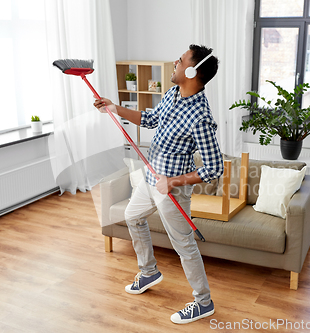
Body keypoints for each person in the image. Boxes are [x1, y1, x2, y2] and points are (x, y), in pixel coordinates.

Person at [93, 44, 222, 324]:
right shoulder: (172, 93)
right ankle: (149, 271)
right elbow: (150, 119)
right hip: (151, 177)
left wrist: (173, 181)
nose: (174, 62)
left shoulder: (200, 117)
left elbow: (214, 168)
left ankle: (204, 302)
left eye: (180, 60)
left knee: (184, 245)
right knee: (132, 216)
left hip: (171, 189)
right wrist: (114, 108)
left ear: (191, 71)